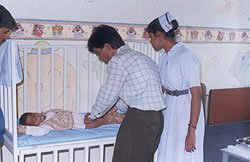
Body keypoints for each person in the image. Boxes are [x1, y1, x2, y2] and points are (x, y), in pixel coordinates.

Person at [85, 24, 166, 162]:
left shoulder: (118, 60)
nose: (100, 58)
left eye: (99, 53)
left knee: (123, 158)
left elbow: (108, 92)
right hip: (156, 118)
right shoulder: (141, 58)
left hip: (140, 118)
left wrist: (93, 116)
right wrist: (116, 108)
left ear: (107, 47)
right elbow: (136, 90)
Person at [146, 12, 205, 162]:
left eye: (151, 37)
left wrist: (191, 130)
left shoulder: (185, 56)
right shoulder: (165, 56)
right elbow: (163, 88)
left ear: (159, 35)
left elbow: (197, 94)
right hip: (170, 107)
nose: (151, 42)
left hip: (186, 110)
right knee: (167, 151)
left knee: (182, 154)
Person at [18, 108, 125, 136]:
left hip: (78, 116)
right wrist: (24, 129)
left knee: (90, 116)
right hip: (76, 124)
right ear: (35, 126)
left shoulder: (48, 112)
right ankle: (111, 119)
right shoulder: (45, 126)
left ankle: (112, 116)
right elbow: (40, 132)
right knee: (93, 124)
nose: (36, 119)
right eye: (33, 121)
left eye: (33, 115)